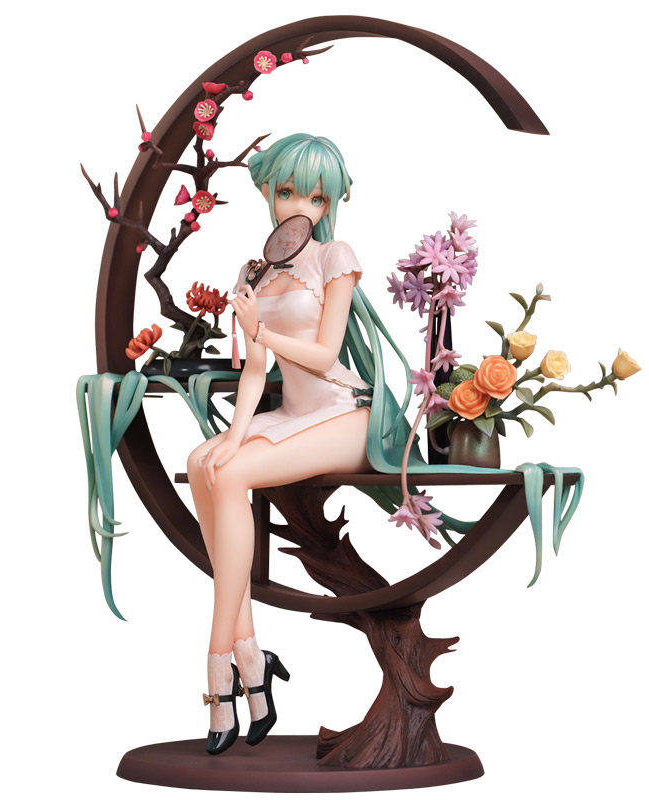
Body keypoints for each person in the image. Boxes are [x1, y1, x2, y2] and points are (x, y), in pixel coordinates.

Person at [185, 134, 375, 755]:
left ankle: (219, 667)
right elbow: (254, 371)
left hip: (345, 413)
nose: (301, 207)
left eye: (316, 198)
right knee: (204, 463)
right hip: (290, 412)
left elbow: (323, 354)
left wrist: (261, 330)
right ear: (267, 190)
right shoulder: (254, 272)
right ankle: (252, 659)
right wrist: (235, 433)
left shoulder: (334, 257)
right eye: (288, 191)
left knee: (233, 474)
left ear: (331, 204)